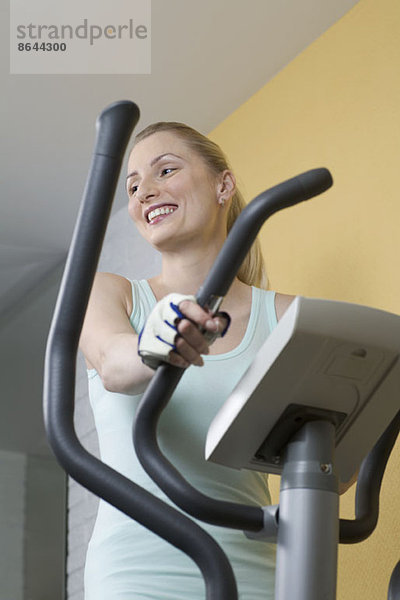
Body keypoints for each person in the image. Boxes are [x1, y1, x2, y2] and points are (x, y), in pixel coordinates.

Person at [79, 121, 295, 599]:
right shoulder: (107, 293)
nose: (143, 193)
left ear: (224, 184)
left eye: (165, 170)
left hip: (254, 573)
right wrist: (156, 341)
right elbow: (114, 364)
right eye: (133, 186)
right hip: (134, 576)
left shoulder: (288, 319)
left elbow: (331, 471)